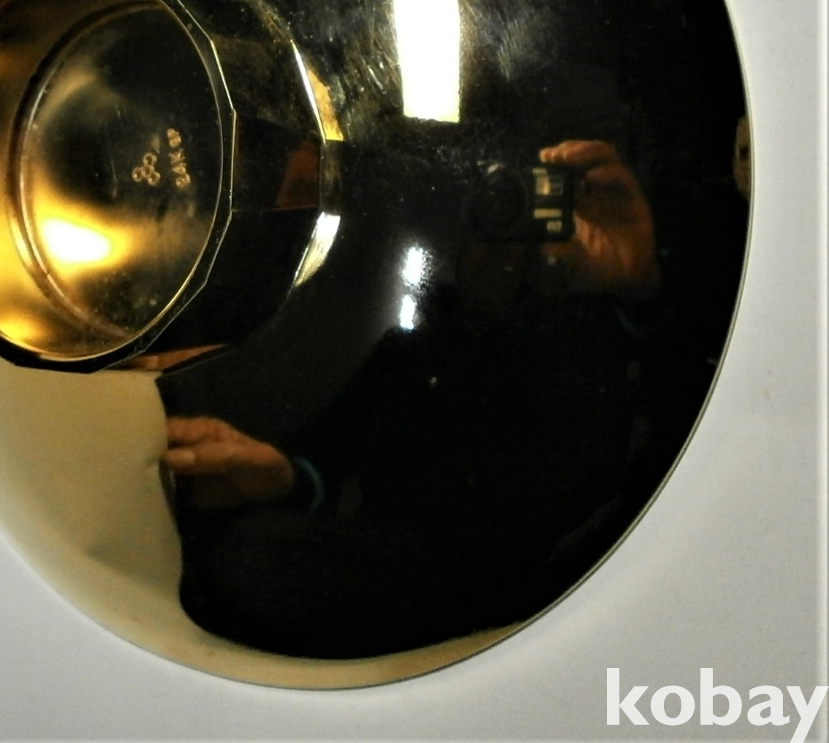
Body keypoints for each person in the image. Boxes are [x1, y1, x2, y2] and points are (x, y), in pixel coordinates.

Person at [161, 140, 672, 658]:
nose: (497, 248)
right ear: (462, 239)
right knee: (248, 556)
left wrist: (642, 285)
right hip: (392, 575)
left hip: (538, 598)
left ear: (533, 248)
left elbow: (658, 416)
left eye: (514, 231)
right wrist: (282, 476)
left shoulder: (565, 342)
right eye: (486, 224)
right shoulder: (405, 352)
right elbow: (327, 454)